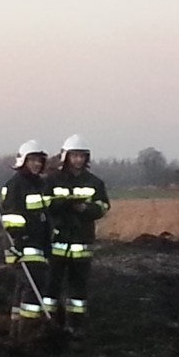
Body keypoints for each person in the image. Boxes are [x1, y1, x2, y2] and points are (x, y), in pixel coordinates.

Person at [42, 134, 110, 339]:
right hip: (57, 241)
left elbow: (103, 206)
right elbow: (45, 203)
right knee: (51, 286)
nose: (78, 160)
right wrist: (64, 204)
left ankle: (77, 326)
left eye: (82, 156)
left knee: (78, 289)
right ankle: (50, 324)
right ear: (66, 157)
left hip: (82, 241)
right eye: (74, 156)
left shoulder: (95, 182)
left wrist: (85, 209)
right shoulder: (52, 180)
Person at [1, 140, 50, 341]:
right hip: (23, 244)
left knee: (23, 286)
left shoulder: (39, 184)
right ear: (23, 161)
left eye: (39, 160)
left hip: (38, 243)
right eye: (32, 160)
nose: (37, 164)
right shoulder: (15, 185)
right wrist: (20, 241)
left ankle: (15, 330)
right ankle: (27, 333)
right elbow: (11, 217)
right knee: (32, 287)